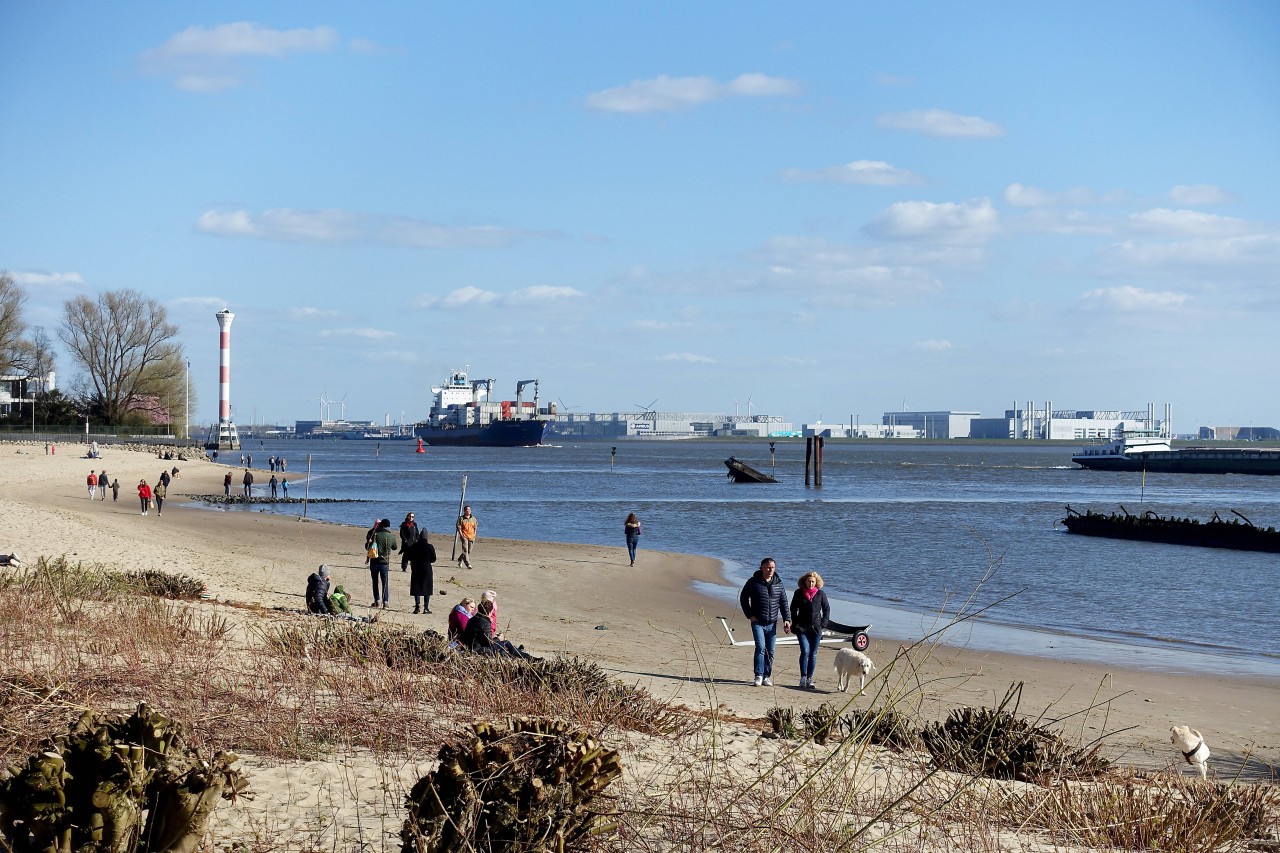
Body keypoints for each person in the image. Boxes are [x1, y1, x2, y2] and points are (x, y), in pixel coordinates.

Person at [739, 557, 791, 687]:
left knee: (770, 651)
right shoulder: (753, 582)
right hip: (757, 621)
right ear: (761, 567)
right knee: (761, 647)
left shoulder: (778, 583)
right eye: (768, 567)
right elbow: (743, 598)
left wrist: (787, 620)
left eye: (772, 567)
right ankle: (758, 675)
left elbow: (784, 602)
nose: (770, 570)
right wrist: (750, 615)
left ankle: (767, 676)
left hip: (772, 623)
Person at [790, 571, 831, 689]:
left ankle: (809, 679)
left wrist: (823, 624)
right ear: (805, 581)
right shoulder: (798, 593)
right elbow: (793, 609)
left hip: (816, 628)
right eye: (809, 581)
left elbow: (826, 609)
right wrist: (795, 623)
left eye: (813, 581)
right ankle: (803, 677)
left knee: (813, 654)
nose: (811, 583)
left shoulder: (821, 594)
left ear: (816, 582)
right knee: (805, 651)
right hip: (802, 628)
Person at [367, 518, 398, 608]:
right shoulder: (391, 536)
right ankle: (386, 602)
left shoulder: (376, 535)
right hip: (385, 562)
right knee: (385, 582)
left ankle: (377, 601)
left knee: (375, 582)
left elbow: (369, 547)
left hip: (374, 561)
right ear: (388, 527)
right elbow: (395, 547)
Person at [405, 530, 436, 614]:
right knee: (427, 587)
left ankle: (417, 606)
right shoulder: (430, 547)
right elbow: (433, 559)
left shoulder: (414, 546)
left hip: (416, 568)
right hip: (426, 568)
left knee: (416, 587)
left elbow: (408, 556)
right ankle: (426, 607)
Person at [455, 505, 477, 569]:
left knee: (468, 551)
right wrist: (461, 535)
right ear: (464, 511)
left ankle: (460, 559)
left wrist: (475, 534)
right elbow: (458, 527)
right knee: (465, 550)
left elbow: (475, 527)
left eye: (470, 509)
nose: (469, 511)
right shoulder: (461, 518)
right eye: (467, 509)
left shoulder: (473, 518)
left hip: (471, 536)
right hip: (464, 536)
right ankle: (468, 564)